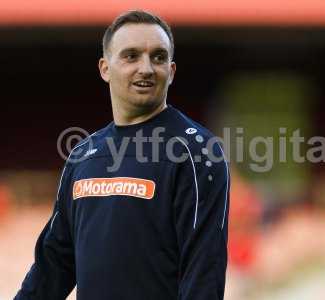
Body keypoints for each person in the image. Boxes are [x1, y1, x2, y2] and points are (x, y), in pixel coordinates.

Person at [15, 10, 230, 300]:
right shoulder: (83, 155)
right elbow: (53, 263)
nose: (146, 68)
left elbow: (204, 270)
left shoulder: (198, 152)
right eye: (131, 56)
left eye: (158, 57)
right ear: (105, 68)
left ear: (172, 71)